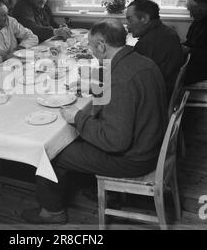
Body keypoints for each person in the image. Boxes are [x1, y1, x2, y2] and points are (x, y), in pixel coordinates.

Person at [21, 19, 168, 224]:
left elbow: (115, 141)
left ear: (101, 46)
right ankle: (80, 184)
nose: (90, 51)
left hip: (133, 159)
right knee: (73, 136)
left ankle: (52, 211)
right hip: (150, 142)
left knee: (51, 150)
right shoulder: (141, 62)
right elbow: (124, 96)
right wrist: (96, 87)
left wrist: (78, 117)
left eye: (90, 46)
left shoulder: (121, 79)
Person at [126, 0, 184, 100]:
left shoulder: (147, 43)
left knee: (100, 91)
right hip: (162, 92)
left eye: (130, 20)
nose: (127, 25)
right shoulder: (166, 32)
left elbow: (134, 78)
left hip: (151, 99)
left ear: (145, 18)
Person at [183, 0, 207, 85]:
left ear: (202, 7)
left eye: (192, 10)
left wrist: (189, 50)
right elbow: (189, 42)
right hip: (194, 61)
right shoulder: (198, 21)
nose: (190, 15)